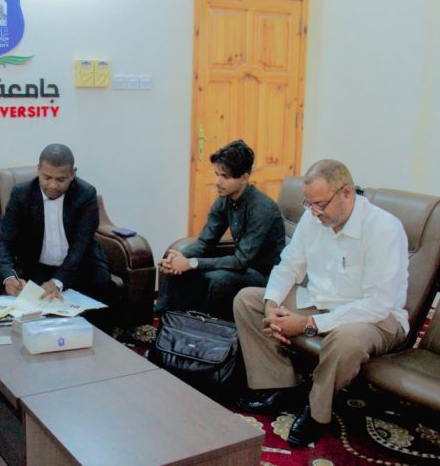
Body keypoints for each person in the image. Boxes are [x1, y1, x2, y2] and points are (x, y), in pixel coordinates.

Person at [234, 159, 409, 447]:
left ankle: (317, 412)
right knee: (248, 300)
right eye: (309, 204)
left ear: (346, 193)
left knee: (345, 339)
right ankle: (279, 386)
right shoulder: (313, 218)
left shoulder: (383, 229)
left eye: (320, 204)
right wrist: (271, 304)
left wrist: (308, 324)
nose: (314, 212)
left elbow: (378, 303)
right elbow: (289, 265)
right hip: (319, 302)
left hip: (374, 318)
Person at [155, 140, 285, 321]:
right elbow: (204, 243)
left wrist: (191, 263)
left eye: (225, 176)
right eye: (217, 174)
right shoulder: (224, 200)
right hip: (242, 267)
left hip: (265, 275)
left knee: (219, 280)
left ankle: (211, 332)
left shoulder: (263, 209)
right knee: (176, 266)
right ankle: (167, 323)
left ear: (244, 177)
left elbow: (240, 261)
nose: (218, 182)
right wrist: (179, 259)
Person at [0, 143, 114, 321]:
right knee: (35, 308)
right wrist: (8, 277)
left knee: (101, 284)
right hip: (39, 266)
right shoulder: (21, 194)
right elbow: (5, 241)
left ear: (72, 174)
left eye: (60, 179)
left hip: (81, 264)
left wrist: (58, 281)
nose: (52, 185)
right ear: (38, 170)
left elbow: (81, 246)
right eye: (47, 177)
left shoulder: (85, 194)